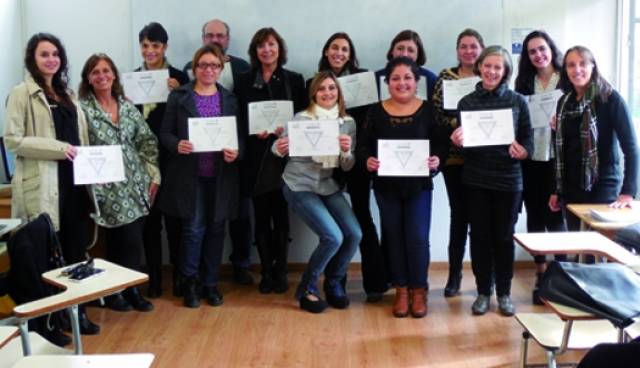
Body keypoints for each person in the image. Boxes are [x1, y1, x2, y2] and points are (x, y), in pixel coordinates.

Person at [4, 32, 99, 341]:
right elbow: (13, 141)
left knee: (74, 254)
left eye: (55, 54)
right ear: (33, 59)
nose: (51, 59)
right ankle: (47, 324)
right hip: (44, 188)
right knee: (44, 260)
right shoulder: (22, 93)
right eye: (44, 54)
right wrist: (59, 149)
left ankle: (76, 314)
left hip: (74, 188)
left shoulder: (67, 94)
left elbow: (81, 142)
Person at [451, 45, 533, 317]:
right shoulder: (466, 103)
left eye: (498, 67)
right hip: (476, 180)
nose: (492, 71)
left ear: (505, 71)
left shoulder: (518, 101)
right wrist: (458, 142)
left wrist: (524, 151)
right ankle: (483, 291)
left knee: (503, 238)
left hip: (509, 181)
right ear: (480, 67)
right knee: (480, 238)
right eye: (488, 66)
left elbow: (527, 140)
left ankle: (505, 293)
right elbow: (465, 147)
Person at [359, 57, 443, 318]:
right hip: (386, 186)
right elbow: (363, 146)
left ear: (417, 81)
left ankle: (419, 289)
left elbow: (440, 145)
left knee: (417, 238)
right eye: (395, 78)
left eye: (407, 78)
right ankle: (401, 290)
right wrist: (367, 160)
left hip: (419, 185)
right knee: (394, 238)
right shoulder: (375, 111)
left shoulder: (429, 110)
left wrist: (436, 160)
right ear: (387, 83)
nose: (402, 83)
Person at [158, 45, 241, 308]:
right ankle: (190, 282)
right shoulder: (179, 96)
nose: (208, 70)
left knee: (217, 230)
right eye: (203, 65)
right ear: (194, 69)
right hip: (189, 175)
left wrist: (235, 153)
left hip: (220, 176)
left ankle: (211, 282)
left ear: (220, 69)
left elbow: (238, 139)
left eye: (214, 65)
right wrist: (176, 144)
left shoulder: (229, 99)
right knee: (193, 230)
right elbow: (164, 133)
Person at [273, 71, 361, 313]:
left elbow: (347, 165)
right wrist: (279, 146)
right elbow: (277, 147)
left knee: (354, 234)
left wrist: (346, 152)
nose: (327, 93)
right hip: (298, 184)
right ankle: (307, 289)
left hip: (327, 184)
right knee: (333, 237)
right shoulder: (301, 118)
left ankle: (333, 283)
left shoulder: (348, 123)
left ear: (338, 92)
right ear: (314, 93)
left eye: (332, 88)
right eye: (321, 89)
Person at [310, 32, 388, 302]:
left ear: (350, 54)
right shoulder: (314, 82)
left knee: (362, 217)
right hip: (325, 164)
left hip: (355, 160)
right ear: (326, 51)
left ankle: (375, 283)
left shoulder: (363, 80)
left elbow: (371, 120)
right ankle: (336, 282)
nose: (339, 53)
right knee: (336, 224)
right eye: (334, 48)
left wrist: (358, 150)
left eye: (344, 49)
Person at [79, 53, 159, 313]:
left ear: (114, 75)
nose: (102, 76)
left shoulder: (126, 106)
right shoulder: (83, 110)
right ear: (88, 79)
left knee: (132, 240)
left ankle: (129, 290)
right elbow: (79, 147)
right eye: (95, 72)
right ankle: (120, 292)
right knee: (123, 240)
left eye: (106, 71)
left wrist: (152, 174)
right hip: (105, 187)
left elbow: (146, 141)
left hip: (137, 184)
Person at [235, 27, 307, 294]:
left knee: (281, 215)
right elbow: (239, 120)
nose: (267, 50)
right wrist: (256, 131)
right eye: (261, 45)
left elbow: (302, 118)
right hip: (254, 159)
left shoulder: (294, 80)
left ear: (280, 49)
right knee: (261, 216)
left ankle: (281, 271)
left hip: (284, 157)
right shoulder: (243, 81)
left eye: (272, 45)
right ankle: (266, 271)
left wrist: (284, 131)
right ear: (255, 51)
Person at [184, 18, 254, 285]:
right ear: (203, 39)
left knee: (236, 218)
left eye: (220, 35)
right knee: (197, 226)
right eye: (210, 35)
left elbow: (245, 114)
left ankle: (240, 266)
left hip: (230, 161)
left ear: (228, 39)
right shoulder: (186, 75)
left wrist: (239, 149)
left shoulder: (243, 68)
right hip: (196, 164)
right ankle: (193, 279)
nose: (215, 39)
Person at [549, 46, 638, 226]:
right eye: (571, 65)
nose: (577, 70)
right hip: (570, 188)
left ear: (593, 66)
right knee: (577, 248)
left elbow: (631, 148)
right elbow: (560, 151)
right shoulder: (564, 102)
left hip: (602, 188)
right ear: (565, 70)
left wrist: (628, 192)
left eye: (583, 64)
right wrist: (556, 190)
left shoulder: (610, 98)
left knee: (595, 250)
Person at [135, 22, 189, 298]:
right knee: (150, 222)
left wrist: (179, 91)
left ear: (165, 47)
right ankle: (154, 278)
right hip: (143, 162)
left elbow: (191, 115)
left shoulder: (179, 78)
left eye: (155, 45)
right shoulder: (129, 79)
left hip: (173, 160)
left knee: (175, 222)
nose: (150, 51)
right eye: (145, 45)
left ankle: (180, 276)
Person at [514, 30, 567, 305]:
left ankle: (561, 276)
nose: (538, 54)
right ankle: (540, 273)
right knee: (534, 216)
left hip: (558, 159)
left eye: (542, 49)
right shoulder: (524, 82)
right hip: (532, 158)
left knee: (556, 218)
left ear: (551, 48)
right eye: (532, 51)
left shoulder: (566, 77)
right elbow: (518, 120)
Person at [432, 28, 484, 298]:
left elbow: (498, 114)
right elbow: (437, 113)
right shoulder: (445, 77)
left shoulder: (489, 75)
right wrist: (459, 127)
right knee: (458, 216)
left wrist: (474, 128)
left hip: (484, 160)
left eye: (473, 46)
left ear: (481, 48)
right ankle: (454, 275)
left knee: (479, 219)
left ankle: (481, 278)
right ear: (457, 50)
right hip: (454, 158)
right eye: (463, 46)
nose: (468, 51)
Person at [374, 30, 438, 101]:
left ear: (418, 54)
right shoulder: (375, 79)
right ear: (392, 51)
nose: (404, 54)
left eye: (411, 50)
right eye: (400, 48)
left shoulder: (431, 79)